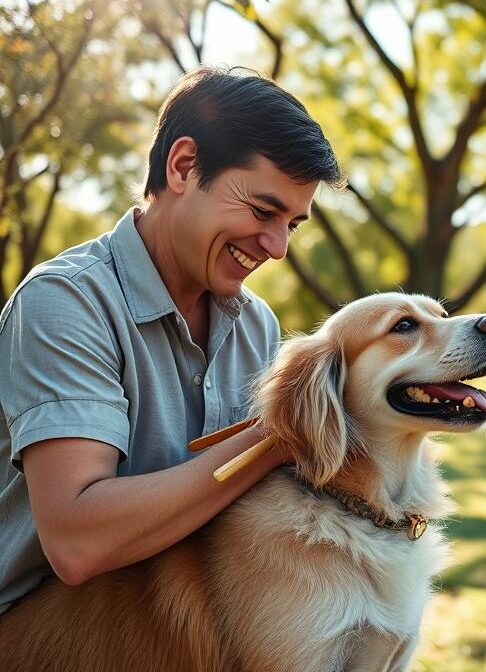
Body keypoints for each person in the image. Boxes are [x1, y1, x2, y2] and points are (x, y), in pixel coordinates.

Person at [0, 66, 344, 615]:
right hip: (38, 640)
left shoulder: (257, 326)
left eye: (293, 225)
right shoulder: (64, 302)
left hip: (180, 627)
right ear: (183, 166)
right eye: (262, 210)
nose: (277, 247)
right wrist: (277, 433)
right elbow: (77, 542)